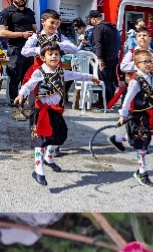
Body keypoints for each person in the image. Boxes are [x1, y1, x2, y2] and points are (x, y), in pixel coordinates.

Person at [14, 43, 98, 186]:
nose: (54, 56)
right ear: (43, 57)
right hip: (41, 112)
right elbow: (29, 85)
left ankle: (49, 158)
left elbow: (76, 75)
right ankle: (38, 170)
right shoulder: (39, 72)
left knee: (59, 136)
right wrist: (22, 94)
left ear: (60, 56)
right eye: (50, 54)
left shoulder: (62, 72)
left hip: (55, 111)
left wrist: (91, 77)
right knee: (40, 141)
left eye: (56, 54)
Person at [107, 49, 153, 186]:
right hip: (137, 115)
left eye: (150, 61)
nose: (148, 64)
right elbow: (127, 99)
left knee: (140, 138)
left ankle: (116, 139)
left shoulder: (150, 77)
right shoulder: (135, 81)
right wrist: (122, 115)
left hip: (147, 114)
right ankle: (141, 172)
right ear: (136, 64)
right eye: (144, 62)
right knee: (141, 144)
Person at [0, 0, 37, 107]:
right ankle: (14, 103)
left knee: (27, 78)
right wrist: (22, 34)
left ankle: (23, 102)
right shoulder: (7, 12)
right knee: (15, 77)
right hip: (16, 49)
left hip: (29, 50)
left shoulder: (30, 12)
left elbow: (35, 28)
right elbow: (3, 33)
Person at [88, 10, 118, 109]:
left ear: (94, 19)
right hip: (113, 57)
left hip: (105, 58)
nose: (91, 22)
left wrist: (99, 59)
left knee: (104, 82)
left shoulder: (98, 28)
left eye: (91, 19)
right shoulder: (112, 27)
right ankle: (108, 101)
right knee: (110, 81)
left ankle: (106, 103)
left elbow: (98, 44)